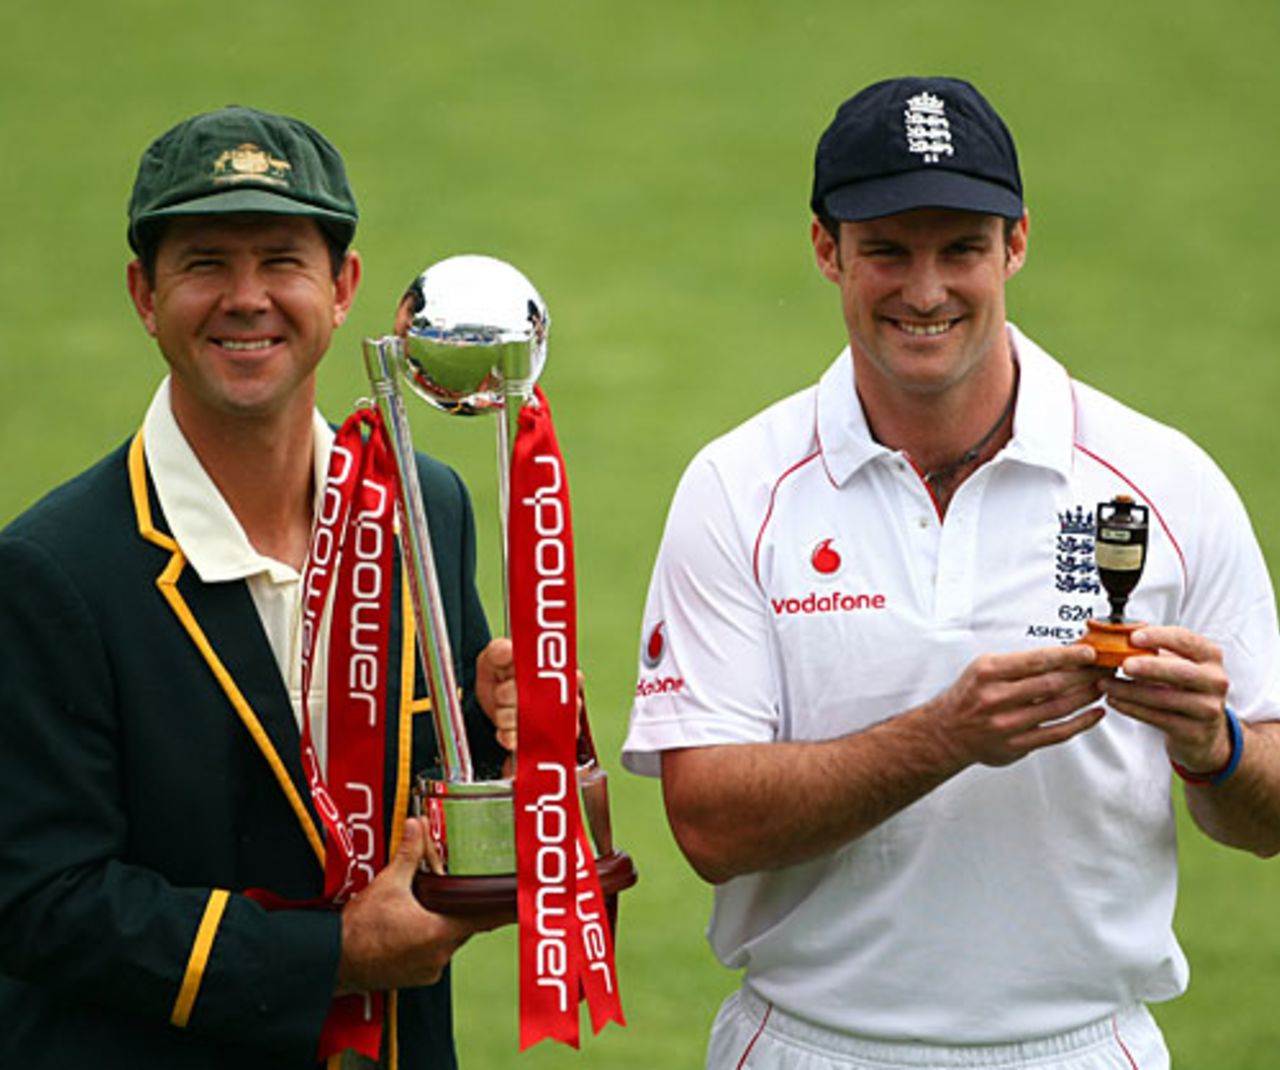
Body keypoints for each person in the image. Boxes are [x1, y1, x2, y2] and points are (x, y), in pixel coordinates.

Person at [623, 76, 1280, 1070]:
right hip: (809, 1044)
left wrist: (1211, 744)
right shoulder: (736, 486)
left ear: (1013, 244)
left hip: (1082, 1046)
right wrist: (943, 735)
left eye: (959, 248)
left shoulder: (1166, 480)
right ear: (824, 249)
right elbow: (707, 820)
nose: (924, 291)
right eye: (886, 249)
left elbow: (1268, 809)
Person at [0, 106, 518, 1069]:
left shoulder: (424, 503)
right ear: (143, 296)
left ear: (343, 286)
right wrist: (335, 956)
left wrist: (504, 734)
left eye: (281, 259)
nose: (247, 298)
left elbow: (437, 784)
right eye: (204, 263)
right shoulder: (48, 572)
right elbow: (40, 900)